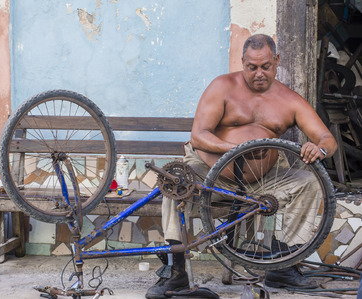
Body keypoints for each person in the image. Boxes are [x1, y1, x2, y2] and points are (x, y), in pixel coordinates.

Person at [145, 34, 338, 299]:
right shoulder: (223, 87)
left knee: (309, 181)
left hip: (262, 183)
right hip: (210, 175)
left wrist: (320, 148)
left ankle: (283, 265)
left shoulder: (290, 100)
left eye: (266, 66)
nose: (259, 73)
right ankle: (177, 273)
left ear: (277, 61)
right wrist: (238, 151)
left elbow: (327, 138)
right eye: (252, 67)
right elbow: (199, 135)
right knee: (175, 183)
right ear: (243, 62)